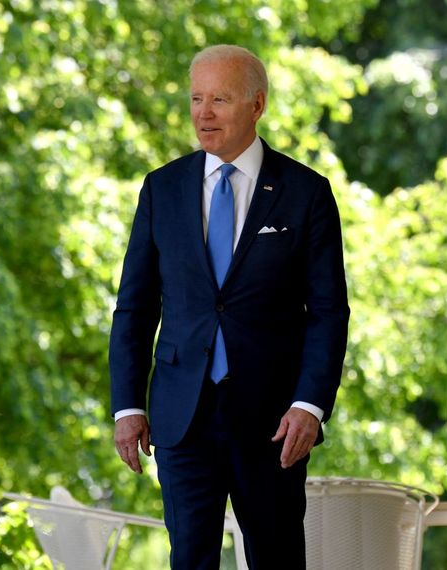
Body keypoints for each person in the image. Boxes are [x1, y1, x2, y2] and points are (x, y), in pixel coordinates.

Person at [109, 44, 350, 569]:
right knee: (190, 558)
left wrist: (310, 404)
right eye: (196, 98)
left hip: (274, 420)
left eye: (219, 98)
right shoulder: (161, 188)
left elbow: (329, 311)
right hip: (181, 416)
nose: (203, 113)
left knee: (277, 558)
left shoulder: (306, 193)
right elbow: (134, 308)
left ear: (256, 105)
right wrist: (127, 407)